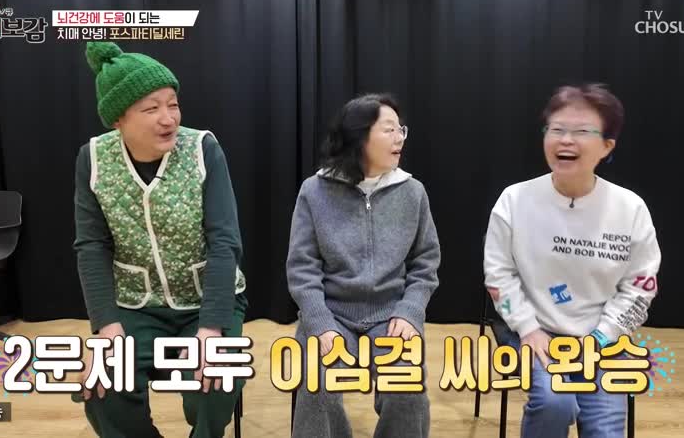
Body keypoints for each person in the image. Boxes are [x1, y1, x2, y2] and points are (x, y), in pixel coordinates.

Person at [71, 41, 248, 438]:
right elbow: (91, 246)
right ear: (118, 119)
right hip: (136, 304)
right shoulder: (92, 158)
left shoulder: (203, 149)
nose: (168, 118)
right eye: (152, 109)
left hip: (206, 301)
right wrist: (106, 327)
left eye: (173, 104)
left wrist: (210, 329)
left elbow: (225, 242)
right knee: (103, 386)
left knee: (213, 381)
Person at [483, 83, 661, 438]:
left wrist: (600, 338)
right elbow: (499, 274)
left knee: (605, 429)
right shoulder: (514, 200)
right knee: (554, 402)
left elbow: (639, 287)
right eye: (557, 129)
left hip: (603, 337)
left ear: (607, 146)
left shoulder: (630, 208)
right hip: (533, 331)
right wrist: (528, 328)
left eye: (582, 132)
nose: (566, 140)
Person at [287, 93, 440, 438]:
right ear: (359, 137)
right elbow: (302, 269)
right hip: (332, 315)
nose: (399, 138)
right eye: (389, 130)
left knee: (407, 386)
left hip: (390, 317)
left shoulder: (413, 192)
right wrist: (320, 323)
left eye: (401, 129)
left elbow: (425, 262)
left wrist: (410, 311)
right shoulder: (314, 191)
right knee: (317, 381)